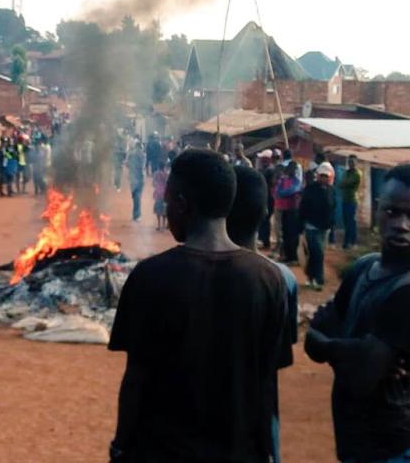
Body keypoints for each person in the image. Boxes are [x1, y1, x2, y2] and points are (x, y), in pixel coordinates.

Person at [108, 149, 292, 462]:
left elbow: (136, 376)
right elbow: (266, 381)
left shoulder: (150, 277)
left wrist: (121, 446)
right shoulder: (268, 280)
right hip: (240, 451)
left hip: (161, 452)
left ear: (182, 203)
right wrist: (268, 451)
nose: (166, 207)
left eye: (168, 200)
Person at [305, 163, 410, 463]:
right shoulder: (364, 267)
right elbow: (316, 333)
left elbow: (362, 376)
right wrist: (353, 350)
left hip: (393, 449)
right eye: (392, 211)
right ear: (378, 209)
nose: (402, 224)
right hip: (359, 444)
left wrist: (330, 345)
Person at [226, 165, 297, 463]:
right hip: (259, 420)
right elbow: (281, 354)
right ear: (267, 213)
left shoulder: (186, 275)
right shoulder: (283, 279)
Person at [299, 161, 336, 290]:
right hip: (311, 226)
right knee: (317, 253)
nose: (324, 178)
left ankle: (310, 276)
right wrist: (300, 226)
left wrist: (332, 225)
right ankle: (318, 280)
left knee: (316, 254)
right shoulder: (310, 189)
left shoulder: (331, 190)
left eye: (326, 176)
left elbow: (333, 208)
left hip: (324, 228)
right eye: (322, 175)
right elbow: (303, 208)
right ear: (318, 175)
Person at [275, 161, 301, 264]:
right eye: (290, 168)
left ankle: (293, 257)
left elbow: (292, 191)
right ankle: (286, 256)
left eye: (293, 168)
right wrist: (283, 193)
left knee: (292, 234)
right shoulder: (284, 180)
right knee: (285, 233)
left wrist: (283, 193)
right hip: (284, 210)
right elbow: (278, 191)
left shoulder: (297, 181)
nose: (291, 170)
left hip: (293, 210)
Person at [339, 155, 362, 249]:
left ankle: (353, 243)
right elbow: (341, 184)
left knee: (351, 222)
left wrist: (344, 183)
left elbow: (346, 183)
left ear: (356, 162)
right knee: (346, 222)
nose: (351, 163)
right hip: (345, 199)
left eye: (352, 162)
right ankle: (346, 243)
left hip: (352, 200)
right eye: (349, 162)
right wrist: (344, 183)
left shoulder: (357, 173)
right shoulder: (347, 172)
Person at [127, 141, 145, 222]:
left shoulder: (131, 154)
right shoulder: (143, 155)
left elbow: (127, 164)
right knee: (137, 197)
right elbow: (142, 166)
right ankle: (136, 215)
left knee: (135, 197)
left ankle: (136, 215)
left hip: (133, 178)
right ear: (140, 147)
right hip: (139, 178)